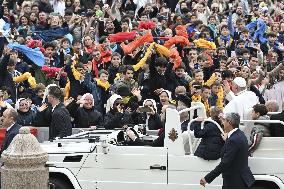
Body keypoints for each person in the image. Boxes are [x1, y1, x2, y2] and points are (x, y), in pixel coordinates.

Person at [200, 112, 255, 189]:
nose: (223, 123)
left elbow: (225, 163)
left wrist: (207, 178)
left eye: (224, 121)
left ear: (229, 122)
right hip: (241, 179)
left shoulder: (233, 140)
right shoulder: (240, 134)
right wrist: (228, 140)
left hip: (234, 182)